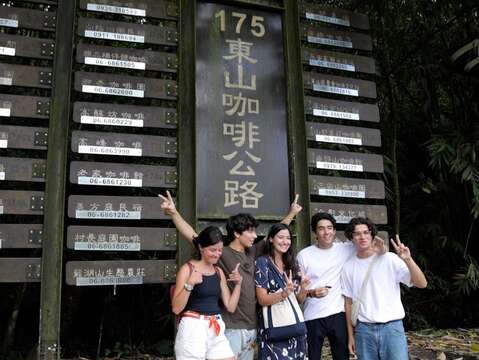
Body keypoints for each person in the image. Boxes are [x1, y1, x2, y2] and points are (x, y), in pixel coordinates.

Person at [159, 191, 302, 360]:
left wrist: (291, 214)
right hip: (230, 327)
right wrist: (174, 213)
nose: (255, 236)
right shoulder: (221, 253)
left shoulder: (253, 252)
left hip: (252, 326)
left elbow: (276, 234)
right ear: (236, 233)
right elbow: (194, 237)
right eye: (250, 232)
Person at [296, 212, 385, 360]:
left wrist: (383, 250)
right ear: (315, 232)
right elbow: (299, 293)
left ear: (334, 230)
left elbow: (373, 246)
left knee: (342, 356)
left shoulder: (345, 249)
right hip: (312, 315)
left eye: (330, 228)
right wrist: (311, 292)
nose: (326, 232)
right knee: (312, 356)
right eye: (321, 228)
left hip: (338, 313)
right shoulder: (304, 255)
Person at [341, 217, 428, 360]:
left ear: (372, 235)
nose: (362, 237)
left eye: (366, 232)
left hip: (392, 328)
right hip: (364, 330)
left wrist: (408, 259)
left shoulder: (390, 259)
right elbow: (348, 303)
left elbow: (422, 283)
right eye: (357, 234)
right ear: (352, 237)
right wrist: (351, 336)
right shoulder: (348, 267)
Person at [172, 225, 242, 360]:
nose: (217, 254)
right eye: (212, 250)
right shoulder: (187, 269)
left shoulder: (218, 272)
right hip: (193, 326)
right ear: (200, 248)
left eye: (220, 250)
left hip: (215, 325)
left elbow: (231, 307)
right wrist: (190, 284)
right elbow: (176, 308)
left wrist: (238, 284)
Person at [255, 223, 310, 359]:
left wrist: (303, 287)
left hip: (294, 328)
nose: (285, 242)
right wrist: (284, 293)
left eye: (288, 238)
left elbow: (298, 301)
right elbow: (262, 299)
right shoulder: (262, 262)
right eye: (280, 237)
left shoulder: (292, 263)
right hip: (274, 328)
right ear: (271, 239)